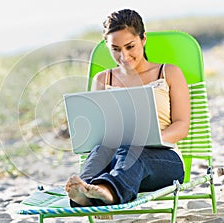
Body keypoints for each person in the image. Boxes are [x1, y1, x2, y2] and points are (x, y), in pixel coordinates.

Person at [65, 9, 190, 207]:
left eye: (130, 46)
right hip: (115, 159)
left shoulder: (168, 73)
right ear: (107, 46)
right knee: (101, 149)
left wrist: (148, 139)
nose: (124, 56)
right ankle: (86, 190)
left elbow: (182, 125)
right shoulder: (103, 80)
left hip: (163, 160)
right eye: (115, 49)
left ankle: (107, 192)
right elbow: (97, 130)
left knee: (132, 149)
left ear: (143, 39)